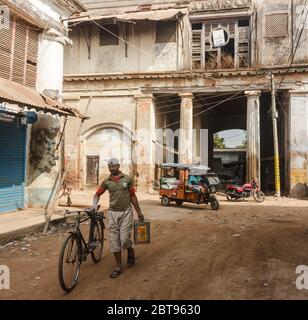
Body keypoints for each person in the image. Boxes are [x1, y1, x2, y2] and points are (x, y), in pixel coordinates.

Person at [92, 158, 145, 278]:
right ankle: (118, 266)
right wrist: (94, 206)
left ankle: (129, 250)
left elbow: (132, 196)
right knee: (114, 240)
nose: (111, 169)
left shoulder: (127, 179)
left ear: (118, 166)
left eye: (113, 166)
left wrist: (139, 212)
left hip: (126, 212)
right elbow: (97, 194)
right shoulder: (107, 181)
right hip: (112, 213)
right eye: (109, 167)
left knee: (124, 239)